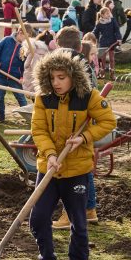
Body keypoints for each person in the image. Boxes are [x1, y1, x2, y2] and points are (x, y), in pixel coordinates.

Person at [25, 50, 116, 260]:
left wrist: (84, 138)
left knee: (78, 219)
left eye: (61, 77)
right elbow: (39, 130)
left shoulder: (88, 97)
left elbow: (108, 121)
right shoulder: (43, 98)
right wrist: (51, 154)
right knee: (38, 217)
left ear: (73, 76)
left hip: (77, 170)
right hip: (50, 167)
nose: (56, 83)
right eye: (52, 77)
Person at [48, 27, 101, 229]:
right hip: (84, 118)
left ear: (58, 44)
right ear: (79, 45)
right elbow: (93, 90)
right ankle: (89, 209)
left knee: (70, 170)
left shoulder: (63, 62)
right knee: (83, 165)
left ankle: (70, 214)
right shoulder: (85, 62)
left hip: (69, 121)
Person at [0, 24, 29, 122]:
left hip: (14, 76)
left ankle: (29, 118)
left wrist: (22, 76)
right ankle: (1, 117)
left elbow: (25, 64)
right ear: (20, 33)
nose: (27, 40)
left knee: (20, 97)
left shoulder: (25, 47)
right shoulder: (6, 40)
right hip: (1, 74)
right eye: (26, 36)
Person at [93, 6, 122, 78]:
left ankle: (112, 73)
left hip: (112, 42)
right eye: (106, 13)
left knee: (111, 59)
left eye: (109, 13)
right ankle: (102, 72)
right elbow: (95, 32)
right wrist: (91, 37)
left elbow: (117, 30)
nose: (108, 14)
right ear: (102, 15)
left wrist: (119, 38)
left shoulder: (112, 21)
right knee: (103, 59)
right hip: (103, 43)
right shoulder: (99, 23)